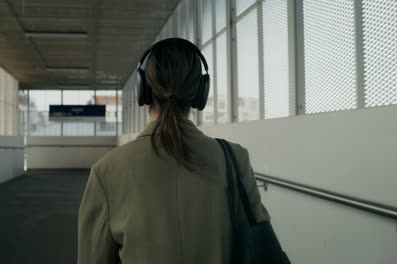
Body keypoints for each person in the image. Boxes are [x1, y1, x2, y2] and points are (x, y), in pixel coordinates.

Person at [77, 38, 269, 264]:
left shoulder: (106, 171)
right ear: (200, 93)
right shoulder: (235, 159)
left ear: (144, 91)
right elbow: (258, 243)